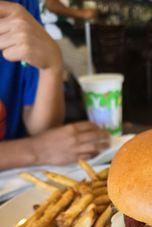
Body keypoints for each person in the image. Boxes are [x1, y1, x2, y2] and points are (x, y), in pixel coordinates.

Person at [0, 1, 108, 171]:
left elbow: (41, 129)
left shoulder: (23, 6)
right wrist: (34, 149)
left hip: (21, 179)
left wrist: (52, 67)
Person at [44, 0, 98, 78]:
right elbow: (52, 5)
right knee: (86, 72)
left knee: (61, 77)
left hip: (60, 33)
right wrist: (81, 13)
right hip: (58, 33)